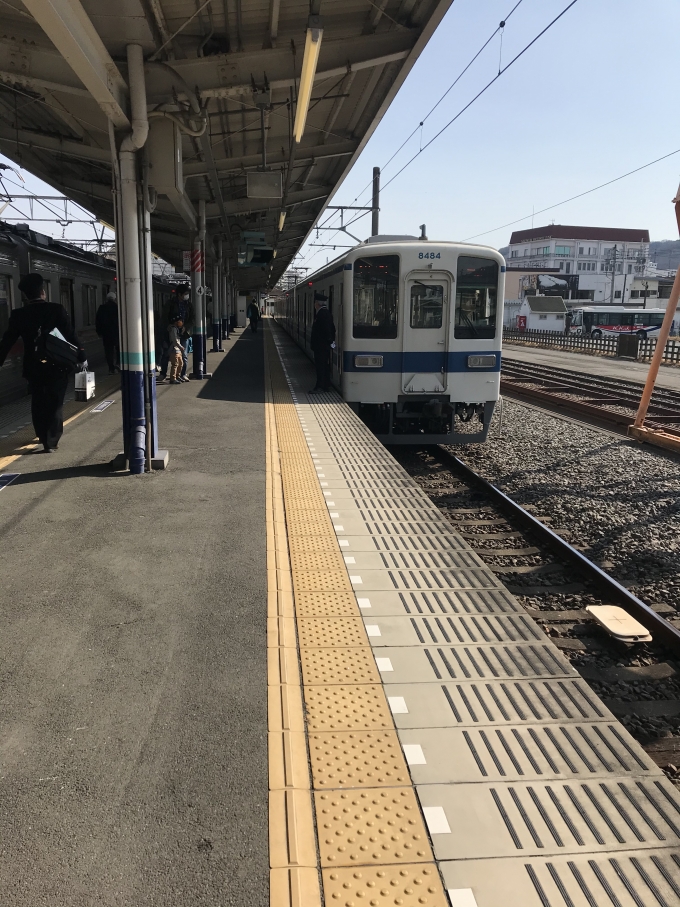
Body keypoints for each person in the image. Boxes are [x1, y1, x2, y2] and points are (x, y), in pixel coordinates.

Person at [0, 272, 86, 452]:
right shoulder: (57, 310)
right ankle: (51, 441)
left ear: (25, 295)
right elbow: (71, 335)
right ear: (43, 292)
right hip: (58, 365)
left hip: (33, 366)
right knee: (55, 401)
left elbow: (7, 340)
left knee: (38, 400)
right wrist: (82, 356)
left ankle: (41, 434)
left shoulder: (18, 315)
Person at [309, 294, 335, 393]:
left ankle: (320, 386)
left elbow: (327, 330)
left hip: (321, 346)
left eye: (315, 303)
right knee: (324, 365)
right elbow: (332, 329)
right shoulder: (326, 313)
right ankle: (325, 384)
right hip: (323, 346)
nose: (315, 305)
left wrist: (329, 341)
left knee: (320, 366)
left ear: (317, 304)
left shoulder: (322, 314)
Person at [95, 291, 119, 374]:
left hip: (106, 334)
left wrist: (99, 332)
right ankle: (118, 364)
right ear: (114, 299)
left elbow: (97, 321)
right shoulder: (117, 308)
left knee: (108, 351)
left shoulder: (102, 308)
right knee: (118, 349)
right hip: (116, 333)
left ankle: (111, 368)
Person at [167, 316, 184, 384]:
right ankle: (173, 378)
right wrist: (180, 346)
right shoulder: (173, 329)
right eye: (180, 321)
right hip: (174, 349)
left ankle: (177, 376)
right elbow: (174, 340)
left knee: (181, 364)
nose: (181, 322)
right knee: (175, 364)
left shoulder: (177, 329)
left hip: (177, 349)